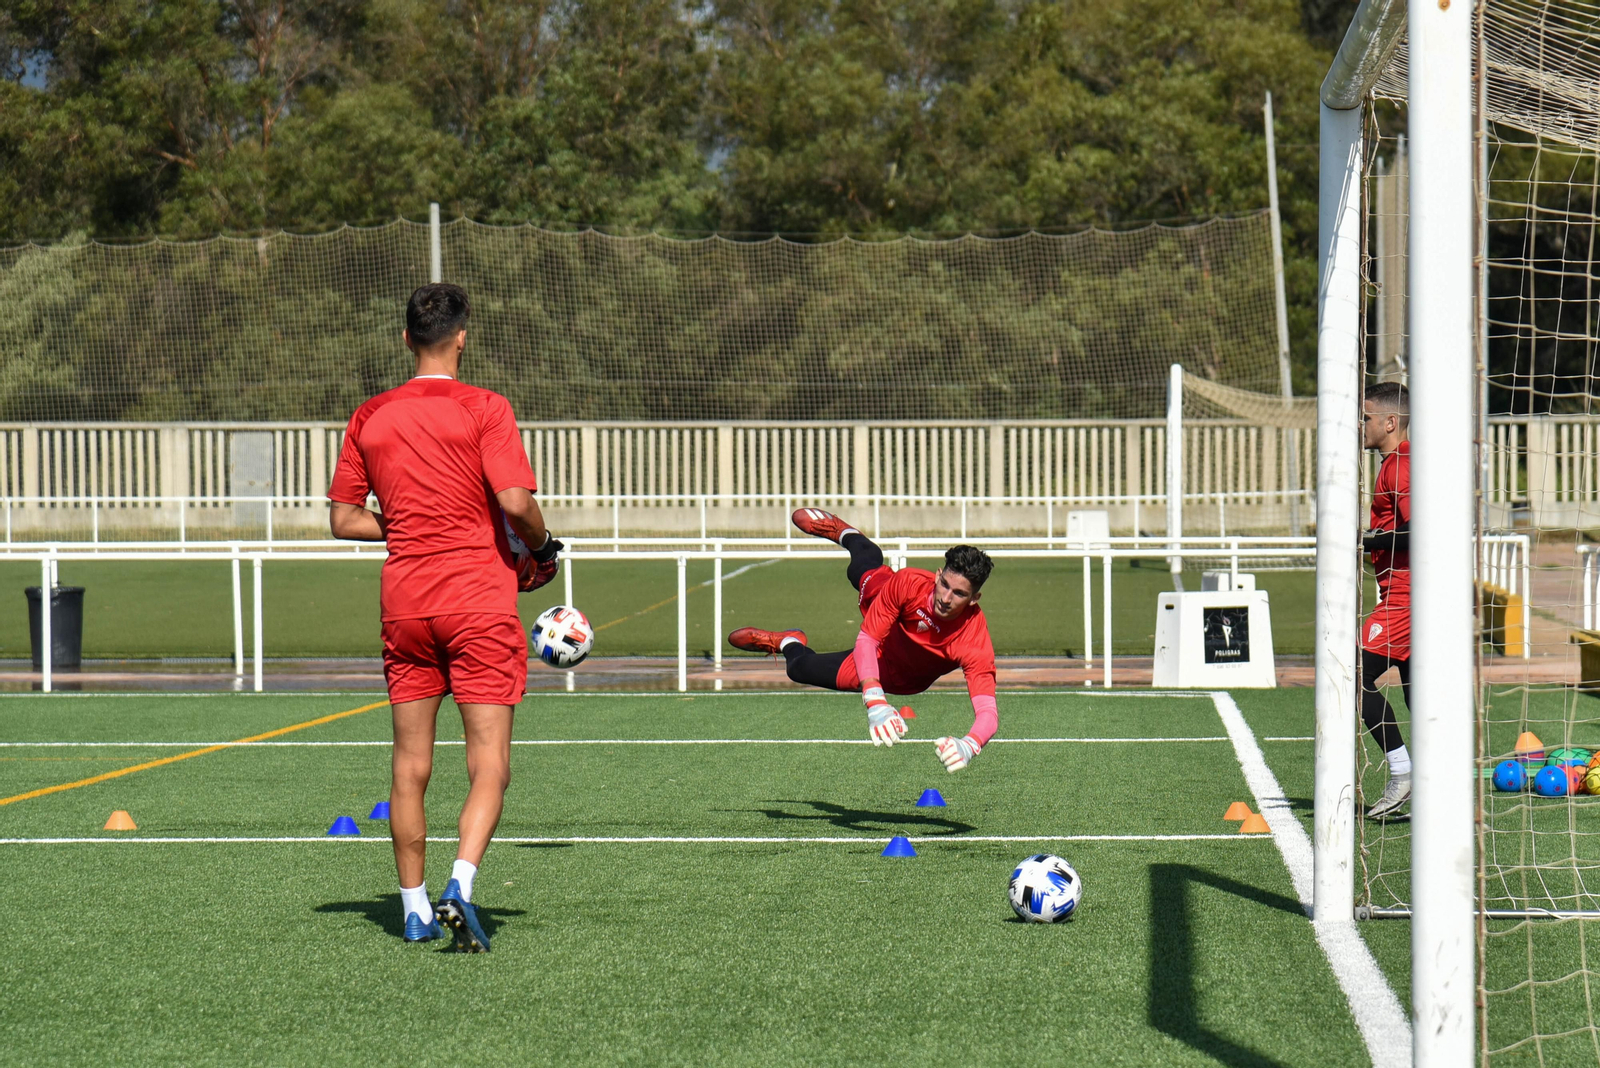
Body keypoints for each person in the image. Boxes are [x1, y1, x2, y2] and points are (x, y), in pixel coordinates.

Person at [327, 283, 562, 952]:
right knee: (489, 761)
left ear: (406, 339)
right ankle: (459, 883)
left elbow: (344, 519)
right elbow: (515, 501)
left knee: (409, 765)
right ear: (463, 337)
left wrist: (407, 522)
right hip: (479, 601)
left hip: (405, 604)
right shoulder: (485, 407)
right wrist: (543, 548)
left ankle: (411, 908)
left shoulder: (370, 414)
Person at [729, 508, 998, 773]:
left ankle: (787, 641)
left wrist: (969, 745)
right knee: (861, 569)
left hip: (898, 677)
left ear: (974, 599)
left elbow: (988, 713)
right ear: (938, 576)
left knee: (798, 668)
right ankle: (847, 534)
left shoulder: (975, 639)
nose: (946, 598)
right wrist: (874, 699)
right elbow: (867, 640)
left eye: (960, 594)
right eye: (945, 585)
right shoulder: (909, 583)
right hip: (878, 639)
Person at [1360, 381, 1412, 820]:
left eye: (1367, 417)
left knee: (1353, 676)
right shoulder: (1390, 465)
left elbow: (1421, 530)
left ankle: (1402, 772)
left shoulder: (1401, 465)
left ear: (1390, 422)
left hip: (1404, 601)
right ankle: (1437, 787)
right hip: (1404, 596)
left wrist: (1367, 539)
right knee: (1419, 696)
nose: (1361, 425)